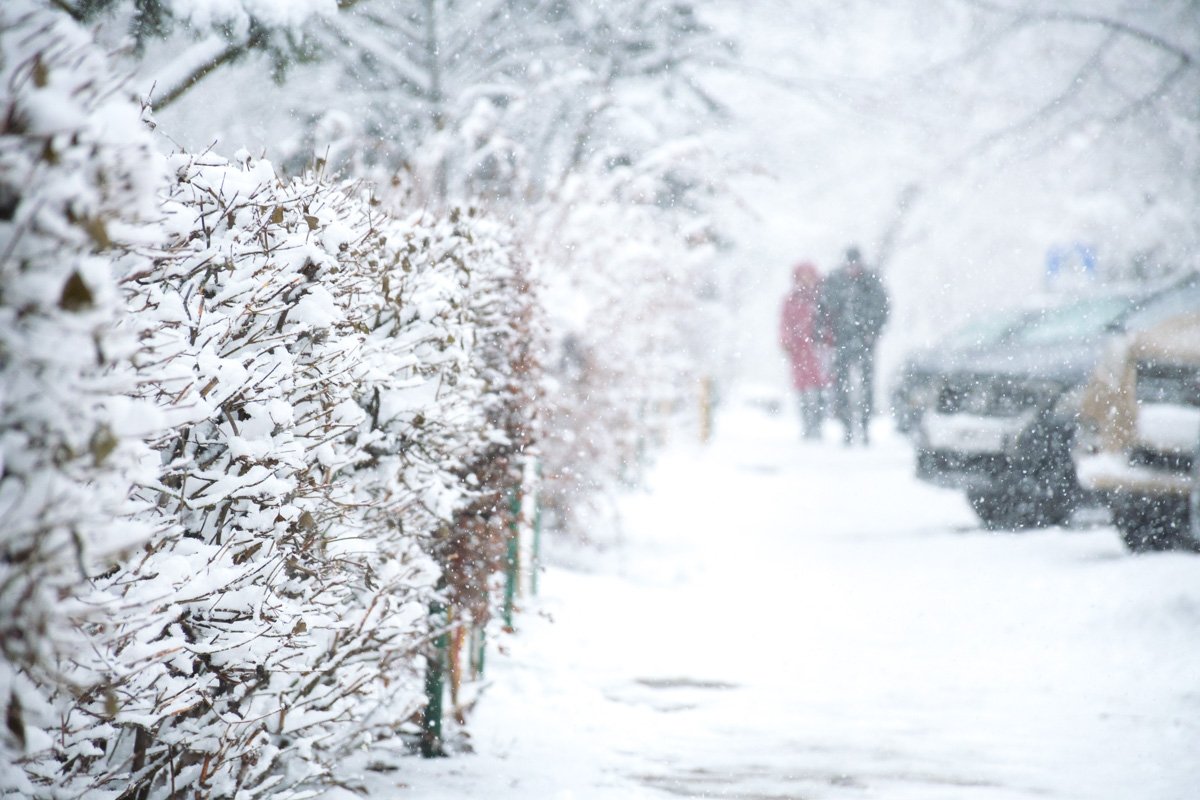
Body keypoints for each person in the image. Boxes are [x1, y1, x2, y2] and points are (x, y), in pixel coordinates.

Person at [817, 246, 889, 445]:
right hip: (841, 340)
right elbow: (822, 308)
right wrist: (824, 334)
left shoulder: (871, 282)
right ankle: (846, 427)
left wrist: (872, 331)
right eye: (850, 264)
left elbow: (882, 308)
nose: (852, 268)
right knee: (841, 385)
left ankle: (865, 427)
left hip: (865, 341)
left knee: (866, 385)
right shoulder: (834, 281)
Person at [779, 262, 829, 439]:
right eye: (803, 276)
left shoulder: (822, 298)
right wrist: (786, 341)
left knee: (820, 387)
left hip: (818, 350)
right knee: (802, 389)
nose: (806, 280)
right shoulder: (791, 300)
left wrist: (828, 341)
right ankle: (806, 424)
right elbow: (785, 323)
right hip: (798, 350)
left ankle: (818, 423)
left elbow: (829, 322)